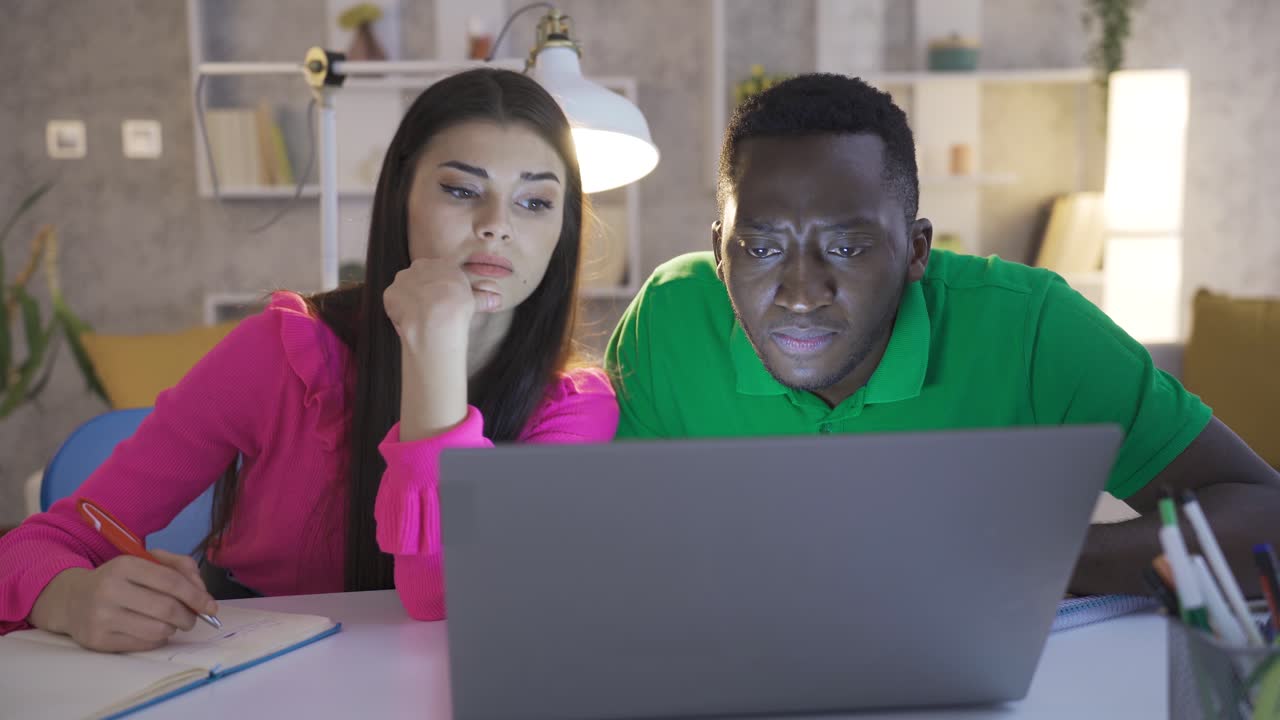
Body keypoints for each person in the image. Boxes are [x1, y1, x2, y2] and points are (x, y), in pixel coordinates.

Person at [0, 68, 618, 650]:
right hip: (253, 676)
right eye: (461, 190)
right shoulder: (281, 351)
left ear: (562, 229)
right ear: (401, 196)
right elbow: (42, 544)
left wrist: (435, 354)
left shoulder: (574, 408)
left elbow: (443, 602)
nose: (495, 226)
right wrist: (71, 595)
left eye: (534, 202)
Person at [604, 73, 1280, 596]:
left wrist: (1030, 563)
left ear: (916, 250)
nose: (802, 294)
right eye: (760, 248)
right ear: (719, 249)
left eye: (847, 247)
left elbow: (1265, 517)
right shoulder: (667, 320)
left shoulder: (1032, 327)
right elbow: (609, 548)